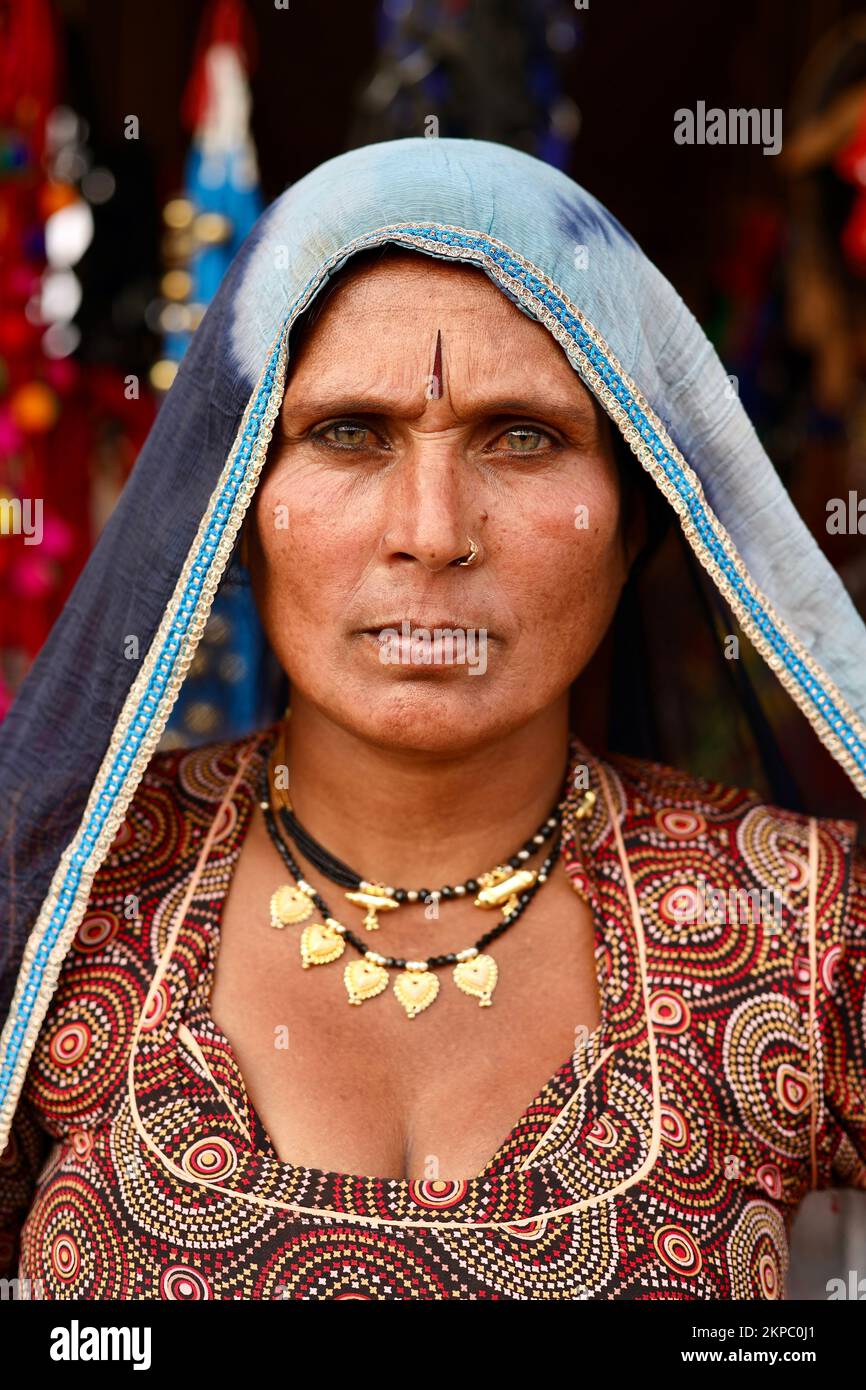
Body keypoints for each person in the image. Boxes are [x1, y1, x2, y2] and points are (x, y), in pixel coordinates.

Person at [0, 137, 864, 1301]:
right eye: (348, 433)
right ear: (236, 508)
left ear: (637, 514)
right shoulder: (55, 898)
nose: (431, 528)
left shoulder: (798, 924)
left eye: (523, 436)